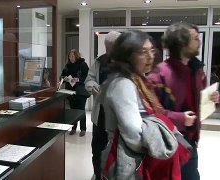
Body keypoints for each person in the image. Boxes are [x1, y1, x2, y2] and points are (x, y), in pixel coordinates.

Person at [100, 30, 190, 180]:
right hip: (129, 162)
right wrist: (158, 144)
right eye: (143, 52)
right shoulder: (123, 84)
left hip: (136, 158)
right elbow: (133, 135)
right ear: (127, 54)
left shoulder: (138, 79)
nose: (150, 56)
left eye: (151, 50)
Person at [148, 22, 219, 180]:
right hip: (166, 145)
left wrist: (211, 98)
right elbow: (151, 113)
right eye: (195, 38)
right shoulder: (159, 74)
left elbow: (197, 100)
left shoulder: (197, 71)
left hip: (190, 143)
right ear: (181, 43)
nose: (199, 41)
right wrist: (180, 119)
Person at [84, 31, 121, 180]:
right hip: (101, 115)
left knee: (119, 149)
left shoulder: (129, 62)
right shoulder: (99, 62)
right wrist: (92, 85)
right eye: (107, 47)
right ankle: (98, 174)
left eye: (112, 48)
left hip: (120, 117)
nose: (109, 51)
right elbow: (89, 79)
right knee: (98, 147)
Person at [61, 49, 89, 136]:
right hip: (70, 91)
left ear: (76, 56)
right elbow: (61, 76)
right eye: (70, 56)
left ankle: (83, 129)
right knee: (73, 110)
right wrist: (64, 78)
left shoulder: (83, 64)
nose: (71, 58)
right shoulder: (67, 66)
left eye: (72, 56)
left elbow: (88, 76)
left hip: (80, 91)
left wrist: (78, 79)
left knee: (81, 110)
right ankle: (73, 128)